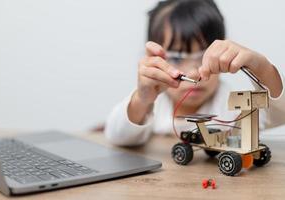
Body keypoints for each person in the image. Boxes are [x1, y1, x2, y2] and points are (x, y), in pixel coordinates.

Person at [105, 0, 285, 146]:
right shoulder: (153, 103)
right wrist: (142, 100)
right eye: (176, 58)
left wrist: (261, 67)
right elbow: (116, 135)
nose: (193, 73)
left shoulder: (232, 106)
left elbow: (280, 113)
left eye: (205, 56)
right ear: (155, 58)